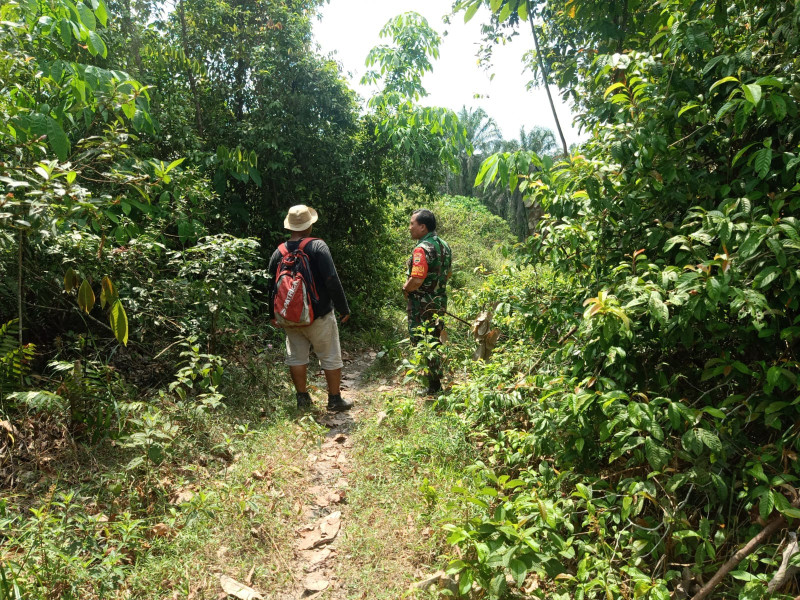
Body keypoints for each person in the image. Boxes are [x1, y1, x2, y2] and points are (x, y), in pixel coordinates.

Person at [268, 205, 352, 411]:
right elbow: (331, 279)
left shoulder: (278, 252)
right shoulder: (318, 247)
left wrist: (273, 314)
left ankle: (302, 399)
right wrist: (343, 308)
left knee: (296, 356)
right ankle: (334, 400)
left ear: (290, 226)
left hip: (289, 316)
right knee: (330, 355)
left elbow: (271, 286)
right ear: (309, 225)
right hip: (319, 314)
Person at [402, 208, 452, 395]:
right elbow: (448, 273)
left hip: (421, 304)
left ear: (423, 227)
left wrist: (406, 289)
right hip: (439, 301)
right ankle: (435, 382)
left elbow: (416, 279)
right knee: (435, 338)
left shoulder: (421, 249)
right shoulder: (444, 245)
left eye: (412, 224)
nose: (410, 228)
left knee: (422, 339)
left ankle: (432, 385)